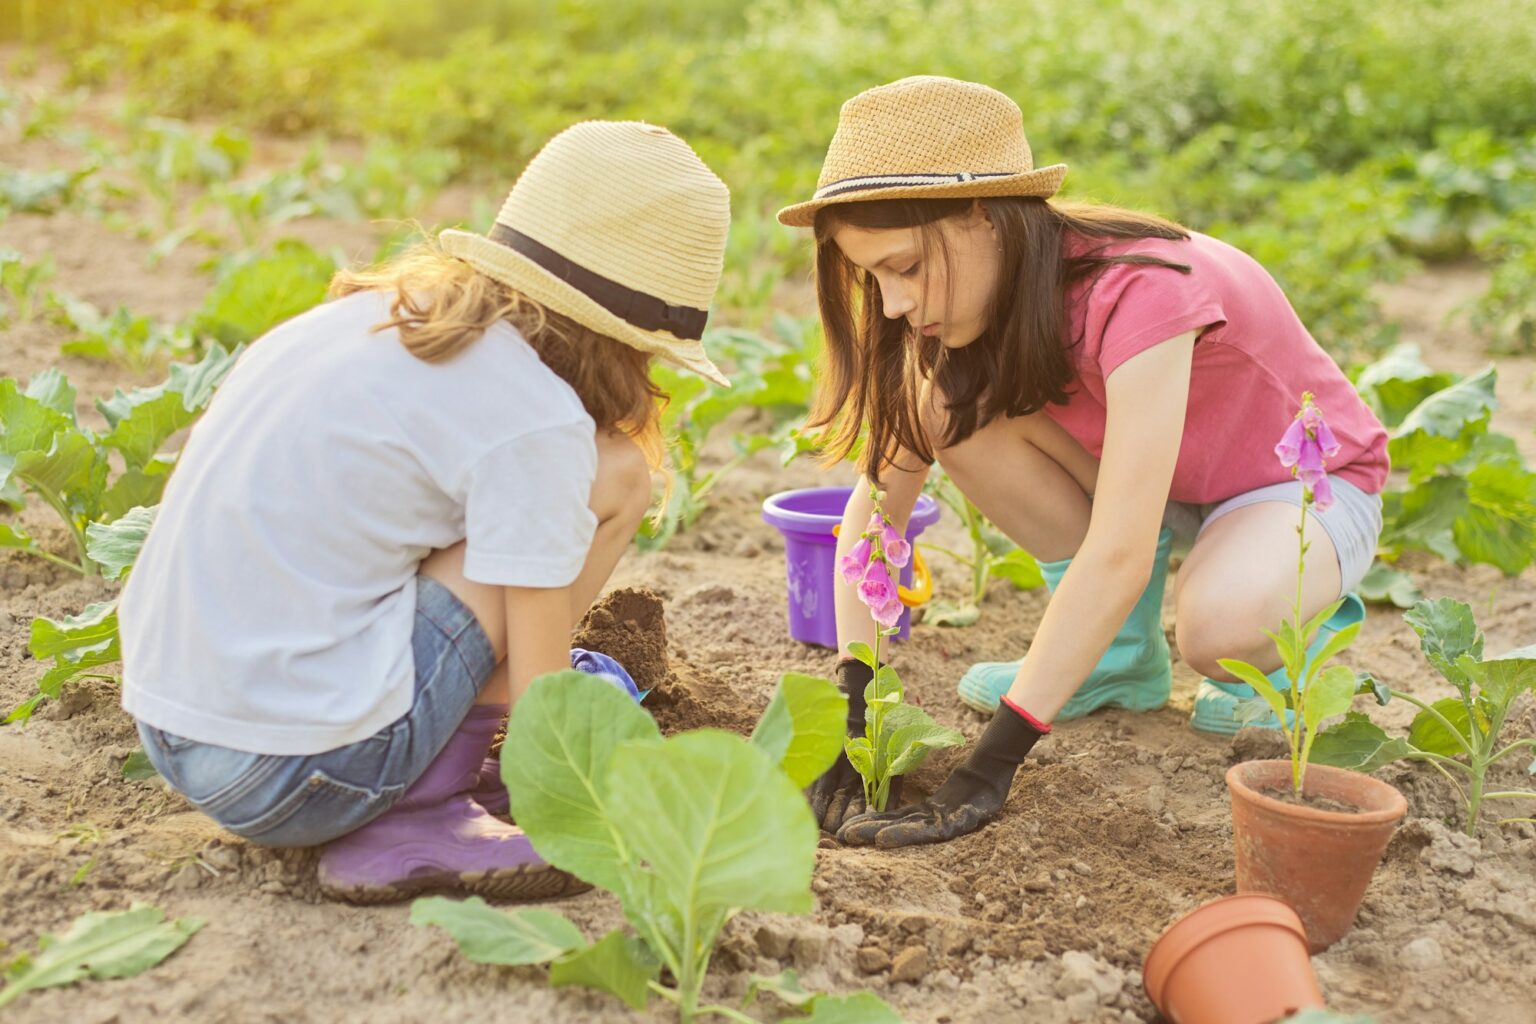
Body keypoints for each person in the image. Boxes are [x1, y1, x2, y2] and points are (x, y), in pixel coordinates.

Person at [118, 121, 732, 901]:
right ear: (626, 344)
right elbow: (543, 707)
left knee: (510, 518)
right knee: (619, 477)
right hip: (296, 775)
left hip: (175, 722)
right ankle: (425, 805)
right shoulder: (536, 415)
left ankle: (419, 753)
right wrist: (576, 785)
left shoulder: (376, 318)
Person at [778, 76, 1388, 847]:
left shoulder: (1140, 287)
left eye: (903, 267)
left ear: (983, 218)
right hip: (1156, 481)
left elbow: (1122, 549)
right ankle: (1121, 657)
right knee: (943, 410)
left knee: (1219, 629)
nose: (893, 303)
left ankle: (1295, 630)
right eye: (874, 278)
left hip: (1294, 487)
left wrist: (992, 763)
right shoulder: (959, 306)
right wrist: (855, 708)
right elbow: (875, 507)